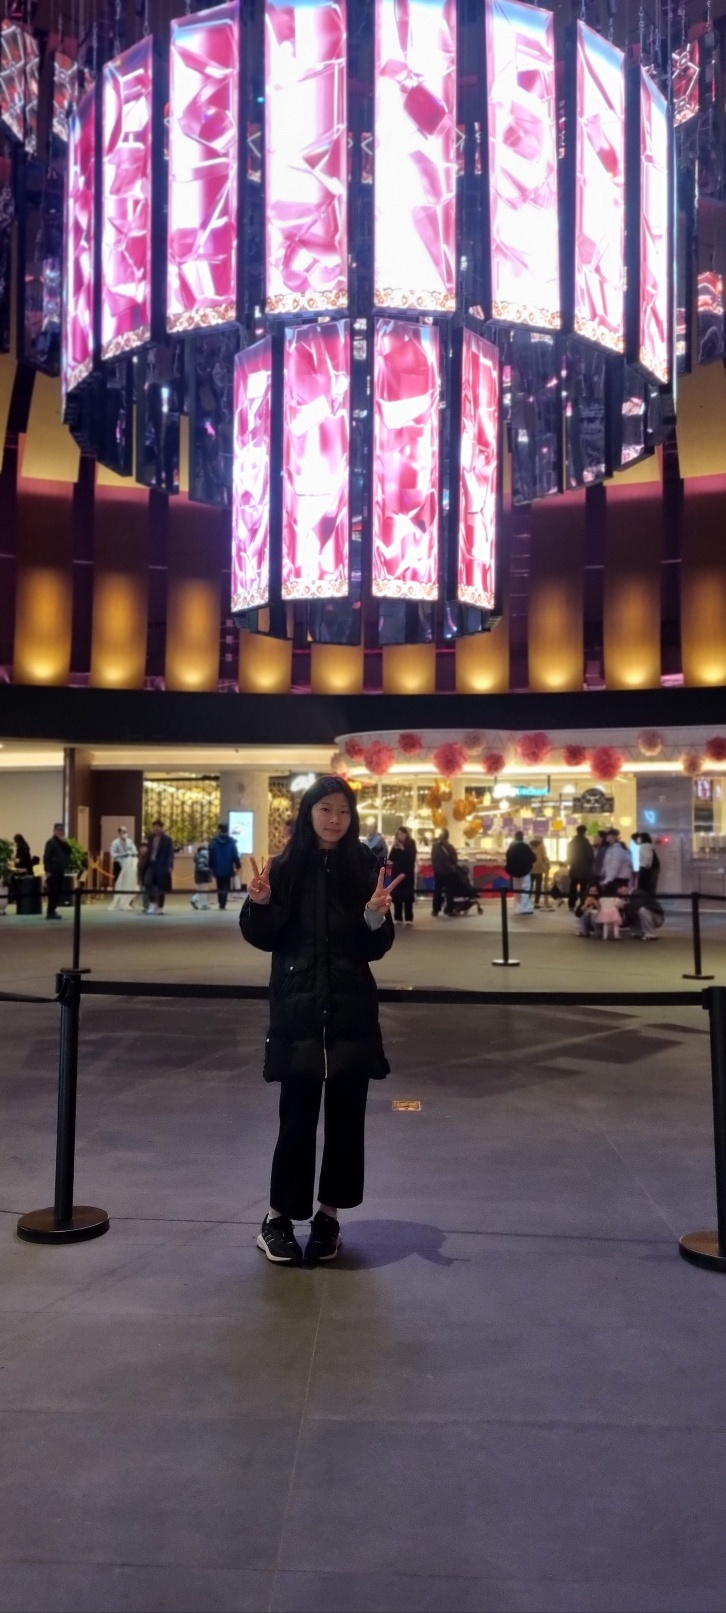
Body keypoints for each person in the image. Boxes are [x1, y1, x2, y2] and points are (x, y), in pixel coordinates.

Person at [240, 775, 401, 1267]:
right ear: (308, 813)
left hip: (351, 1009)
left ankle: (328, 1217)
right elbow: (263, 937)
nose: (335, 819)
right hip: (299, 1010)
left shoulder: (364, 868)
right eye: (325, 809)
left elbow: (374, 946)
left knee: (347, 1122)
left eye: (344, 811)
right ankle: (277, 1220)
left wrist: (375, 916)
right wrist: (260, 904)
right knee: (296, 1119)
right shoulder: (286, 867)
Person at [140, 819, 174, 914]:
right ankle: (152, 903)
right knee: (147, 882)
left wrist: (170, 865)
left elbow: (170, 853)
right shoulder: (150, 838)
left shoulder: (167, 839)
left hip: (162, 865)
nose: (155, 829)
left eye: (157, 827)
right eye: (154, 827)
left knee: (161, 886)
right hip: (150, 864)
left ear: (161, 828)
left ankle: (160, 906)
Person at [208, 822, 241, 910]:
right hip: (228, 867)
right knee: (226, 885)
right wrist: (238, 865)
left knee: (219, 884)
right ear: (227, 831)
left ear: (220, 830)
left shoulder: (214, 842)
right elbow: (235, 854)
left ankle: (220, 902)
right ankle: (223, 902)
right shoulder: (231, 842)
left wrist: (211, 866)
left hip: (217, 867)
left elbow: (211, 855)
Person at [389, 826, 417, 924]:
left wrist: (402, 848)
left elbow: (411, 857)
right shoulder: (396, 845)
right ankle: (398, 917)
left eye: (401, 833)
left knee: (408, 896)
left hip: (407, 873)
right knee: (397, 895)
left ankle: (409, 917)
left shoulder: (411, 843)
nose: (399, 836)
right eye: (398, 834)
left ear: (406, 834)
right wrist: (395, 848)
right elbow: (391, 858)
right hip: (397, 873)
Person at [43, 822, 71, 921]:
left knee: (58, 892)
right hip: (53, 871)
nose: (60, 832)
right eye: (58, 830)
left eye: (62, 830)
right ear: (54, 831)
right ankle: (50, 912)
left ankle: (53, 910)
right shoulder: (51, 842)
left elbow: (69, 851)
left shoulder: (62, 842)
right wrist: (47, 870)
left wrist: (64, 842)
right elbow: (46, 857)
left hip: (60, 870)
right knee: (53, 892)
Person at [505, 831, 536, 914]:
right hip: (525, 872)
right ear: (522, 837)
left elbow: (508, 860)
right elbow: (533, 858)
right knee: (525, 889)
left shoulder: (511, 848)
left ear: (515, 837)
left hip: (514, 873)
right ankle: (525, 908)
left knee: (517, 890)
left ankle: (517, 908)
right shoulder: (526, 847)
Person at [109, 827, 138, 912]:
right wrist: (123, 854)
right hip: (119, 864)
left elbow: (135, 851)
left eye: (126, 831)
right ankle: (118, 902)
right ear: (119, 833)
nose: (125, 833)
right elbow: (113, 854)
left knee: (130, 883)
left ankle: (128, 902)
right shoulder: (115, 842)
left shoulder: (130, 841)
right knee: (119, 883)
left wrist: (132, 853)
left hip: (129, 866)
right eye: (123, 832)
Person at [566, 825, 594, 911]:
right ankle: (582, 903)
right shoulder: (586, 843)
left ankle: (571, 904)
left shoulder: (572, 843)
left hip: (574, 867)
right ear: (585, 832)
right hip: (584, 869)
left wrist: (571, 863)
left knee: (573, 887)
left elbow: (569, 856)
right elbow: (590, 856)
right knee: (583, 888)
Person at [431, 828, 458, 917]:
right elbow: (454, 859)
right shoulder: (450, 847)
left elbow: (433, 859)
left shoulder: (435, 846)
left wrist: (436, 868)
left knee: (437, 891)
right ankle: (449, 909)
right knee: (449, 892)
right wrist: (451, 867)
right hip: (448, 872)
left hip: (438, 872)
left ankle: (435, 910)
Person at [600, 828, 632, 894]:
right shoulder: (611, 849)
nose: (606, 837)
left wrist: (607, 880)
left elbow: (615, 866)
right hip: (613, 878)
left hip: (619, 879)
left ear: (614, 837)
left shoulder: (617, 850)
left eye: (608, 835)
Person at [530, 837, 551, 909]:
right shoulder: (542, 847)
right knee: (538, 886)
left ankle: (527, 901)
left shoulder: (530, 846)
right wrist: (547, 862)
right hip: (539, 868)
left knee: (530, 886)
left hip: (531, 868)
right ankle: (536, 902)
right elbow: (544, 857)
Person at [191, 842, 212, 910]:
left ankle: (194, 900)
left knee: (200, 890)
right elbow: (202, 868)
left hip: (198, 876)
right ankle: (204, 905)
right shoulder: (202, 858)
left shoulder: (198, 857)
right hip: (203, 876)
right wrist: (210, 870)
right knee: (204, 891)